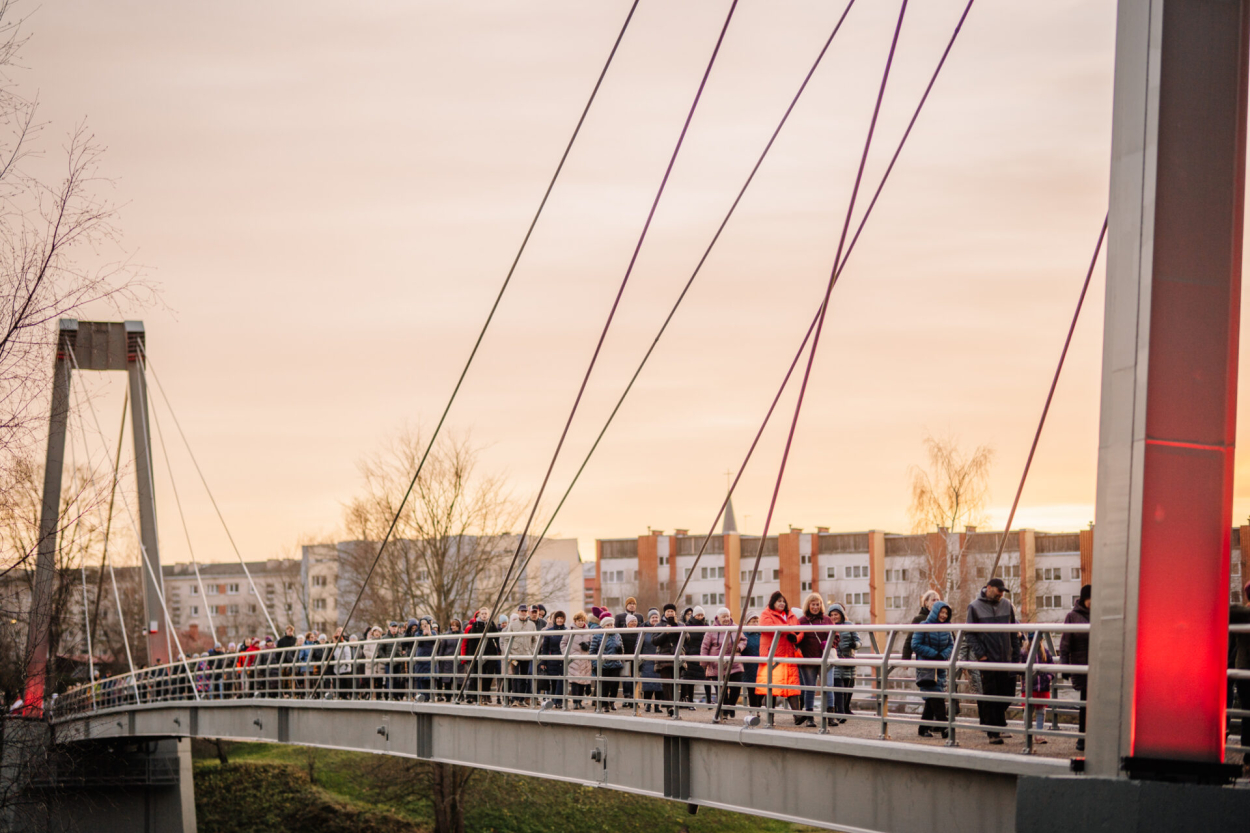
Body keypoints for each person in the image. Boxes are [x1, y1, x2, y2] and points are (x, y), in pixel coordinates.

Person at [966, 577, 1022, 744]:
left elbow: (1014, 631)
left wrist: (1016, 656)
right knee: (992, 695)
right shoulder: (974, 607)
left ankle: (995, 723)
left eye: (1003, 592)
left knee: (1008, 694)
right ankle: (993, 732)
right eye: (999, 591)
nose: (1001, 594)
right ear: (989, 588)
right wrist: (981, 654)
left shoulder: (1007, 605)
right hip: (988, 660)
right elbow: (969, 633)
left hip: (1006, 659)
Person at [757, 591, 803, 723]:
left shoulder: (791, 615)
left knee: (791, 687)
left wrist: (796, 637)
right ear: (773, 602)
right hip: (772, 654)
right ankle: (770, 718)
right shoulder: (766, 614)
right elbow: (768, 627)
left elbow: (800, 631)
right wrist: (789, 628)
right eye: (779, 601)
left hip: (788, 655)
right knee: (772, 688)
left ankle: (797, 716)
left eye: (783, 601)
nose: (782, 603)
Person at [910, 600, 952, 738]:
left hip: (941, 667)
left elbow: (952, 645)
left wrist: (943, 656)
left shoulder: (947, 627)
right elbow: (915, 644)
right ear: (935, 612)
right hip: (927, 667)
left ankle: (923, 729)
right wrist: (934, 654)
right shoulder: (924, 626)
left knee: (931, 698)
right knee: (936, 697)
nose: (944, 615)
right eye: (942, 612)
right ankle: (946, 728)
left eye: (946, 613)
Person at [1059, 584, 1090, 750]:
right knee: (1085, 702)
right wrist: (1064, 667)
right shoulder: (1072, 616)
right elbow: (1065, 644)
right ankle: (1082, 739)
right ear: (1084, 599)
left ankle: (1092, 738)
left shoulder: (1101, 614)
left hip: (1099, 666)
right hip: (1081, 665)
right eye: (1090, 599)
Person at [701, 607, 746, 718]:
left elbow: (743, 640)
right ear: (718, 618)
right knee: (722, 690)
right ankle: (725, 711)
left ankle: (731, 706)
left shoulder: (736, 628)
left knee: (736, 686)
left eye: (728, 616)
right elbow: (705, 646)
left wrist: (739, 648)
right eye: (724, 616)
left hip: (734, 662)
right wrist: (704, 662)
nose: (726, 618)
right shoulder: (712, 630)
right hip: (718, 665)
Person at [796, 593, 833, 726]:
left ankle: (830, 716)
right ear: (808, 605)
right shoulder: (802, 621)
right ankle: (810, 717)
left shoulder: (827, 620)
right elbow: (798, 638)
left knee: (828, 686)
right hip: (808, 658)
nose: (816, 607)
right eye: (813, 604)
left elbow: (835, 635)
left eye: (818, 604)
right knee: (809, 688)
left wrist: (829, 644)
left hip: (825, 657)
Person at [826, 602, 860, 719]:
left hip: (850, 660)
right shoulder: (828, 627)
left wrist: (854, 644)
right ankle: (840, 713)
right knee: (839, 688)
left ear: (841, 614)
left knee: (849, 687)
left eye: (836, 614)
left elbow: (859, 641)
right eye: (832, 615)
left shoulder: (849, 625)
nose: (834, 617)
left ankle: (846, 709)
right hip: (836, 660)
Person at [651, 603, 684, 716]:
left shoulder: (680, 624)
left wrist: (676, 629)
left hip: (677, 656)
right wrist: (665, 633)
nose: (670, 613)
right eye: (668, 611)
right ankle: (670, 707)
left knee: (676, 682)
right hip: (664, 658)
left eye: (672, 611)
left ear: (675, 612)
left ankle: (675, 704)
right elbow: (655, 641)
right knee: (666, 683)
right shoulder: (658, 625)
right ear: (664, 612)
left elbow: (687, 638)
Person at [1230, 582, 1250, 760]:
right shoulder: (1244, 615)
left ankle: (1247, 759)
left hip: (1242, 671)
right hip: (1245, 672)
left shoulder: (1241, 614)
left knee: (1246, 715)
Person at [560, 611, 594, 709]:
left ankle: (580, 701)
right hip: (573, 659)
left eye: (582, 620)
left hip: (585, 659)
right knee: (575, 681)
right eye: (579, 620)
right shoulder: (570, 631)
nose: (581, 622)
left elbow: (592, 643)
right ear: (575, 621)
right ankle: (575, 702)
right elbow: (563, 643)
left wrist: (588, 646)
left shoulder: (588, 631)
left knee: (583, 682)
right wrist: (568, 654)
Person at [591, 614, 624, 710]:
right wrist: (596, 664)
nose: (610, 627)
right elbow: (592, 651)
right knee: (604, 685)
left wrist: (620, 653)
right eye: (608, 625)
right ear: (603, 626)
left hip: (615, 664)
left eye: (611, 625)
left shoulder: (617, 635)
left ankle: (612, 702)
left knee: (614, 685)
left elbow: (622, 648)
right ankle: (604, 704)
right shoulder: (597, 636)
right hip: (603, 665)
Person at [506, 609, 538, 706]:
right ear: (518, 612)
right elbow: (507, 639)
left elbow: (535, 640)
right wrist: (509, 652)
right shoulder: (513, 625)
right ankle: (514, 698)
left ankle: (521, 699)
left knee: (524, 676)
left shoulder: (532, 625)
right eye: (521, 611)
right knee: (515, 676)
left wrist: (532, 651)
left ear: (527, 613)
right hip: (515, 654)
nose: (523, 613)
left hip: (526, 654)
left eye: (525, 611)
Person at [901, 590, 940, 664]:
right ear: (926, 603)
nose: (936, 602)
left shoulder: (942, 619)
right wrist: (905, 660)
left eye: (938, 600)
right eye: (933, 600)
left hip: (941, 660)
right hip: (924, 661)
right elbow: (909, 640)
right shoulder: (919, 619)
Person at [538, 611, 567, 706]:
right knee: (554, 681)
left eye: (561, 618)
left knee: (561, 680)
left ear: (564, 620)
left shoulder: (567, 631)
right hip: (552, 659)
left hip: (563, 659)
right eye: (558, 618)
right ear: (555, 619)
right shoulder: (549, 632)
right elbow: (545, 648)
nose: (559, 620)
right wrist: (543, 662)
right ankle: (554, 700)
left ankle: (559, 701)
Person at [615, 598, 640, 705]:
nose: (632, 606)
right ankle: (626, 696)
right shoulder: (619, 617)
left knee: (635, 675)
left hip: (636, 652)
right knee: (626, 676)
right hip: (625, 651)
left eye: (634, 604)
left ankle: (634, 697)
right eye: (630, 604)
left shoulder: (639, 617)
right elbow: (616, 632)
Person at [639, 609, 663, 712]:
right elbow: (639, 645)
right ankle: (647, 705)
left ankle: (657, 706)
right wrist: (640, 660)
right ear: (649, 619)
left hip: (659, 660)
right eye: (653, 617)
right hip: (647, 660)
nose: (655, 619)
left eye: (656, 617)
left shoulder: (662, 629)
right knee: (647, 684)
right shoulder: (644, 631)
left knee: (659, 685)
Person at [435, 618, 462, 700]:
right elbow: (442, 648)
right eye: (452, 625)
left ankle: (458, 696)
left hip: (459, 660)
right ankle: (448, 697)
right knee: (447, 680)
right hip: (448, 660)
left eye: (455, 626)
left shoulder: (463, 634)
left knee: (459, 679)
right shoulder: (447, 635)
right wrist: (439, 658)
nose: (453, 627)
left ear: (458, 626)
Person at [741, 614, 764, 711]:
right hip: (749, 666)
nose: (755, 624)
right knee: (752, 689)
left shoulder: (762, 634)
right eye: (753, 621)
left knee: (763, 689)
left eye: (756, 621)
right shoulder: (744, 634)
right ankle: (754, 711)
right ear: (747, 623)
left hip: (761, 665)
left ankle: (757, 708)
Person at [276, 625, 298, 696]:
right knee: (283, 679)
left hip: (291, 662)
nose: (290, 632)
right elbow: (278, 653)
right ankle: (283, 693)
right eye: (289, 630)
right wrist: (279, 662)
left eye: (291, 631)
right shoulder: (281, 641)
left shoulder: (295, 640)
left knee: (291, 679)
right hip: (283, 662)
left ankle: (291, 693)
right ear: (286, 631)